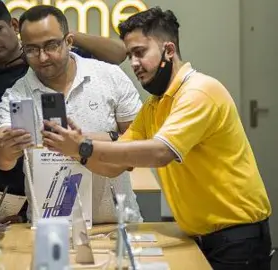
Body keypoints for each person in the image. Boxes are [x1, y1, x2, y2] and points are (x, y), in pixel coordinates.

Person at [41, 7, 272, 270]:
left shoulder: (199, 91)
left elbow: (160, 152)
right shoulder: (154, 105)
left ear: (169, 50)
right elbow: (116, 165)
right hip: (199, 235)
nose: (134, 64)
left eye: (140, 53)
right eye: (130, 56)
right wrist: (76, 151)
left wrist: (84, 146)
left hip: (237, 237)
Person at [0, 0, 130, 217]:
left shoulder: (96, 71)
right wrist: (3, 149)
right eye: (32, 49)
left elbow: (136, 144)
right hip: (32, 202)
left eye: (50, 46)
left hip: (110, 212)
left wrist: (84, 143)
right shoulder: (3, 88)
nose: (43, 58)